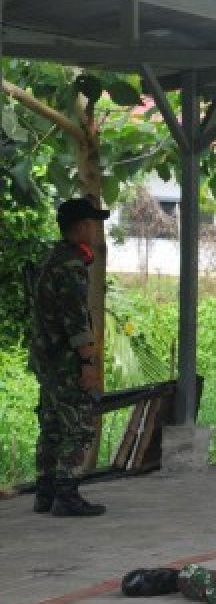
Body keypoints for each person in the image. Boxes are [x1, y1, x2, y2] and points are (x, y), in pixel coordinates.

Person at [26, 197, 110, 516]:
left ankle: (45, 491)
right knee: (78, 423)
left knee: (51, 422)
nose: (95, 231)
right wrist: (88, 362)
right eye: (93, 224)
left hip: (45, 357)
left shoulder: (51, 258)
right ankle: (66, 493)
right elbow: (75, 318)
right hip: (64, 360)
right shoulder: (71, 265)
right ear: (82, 227)